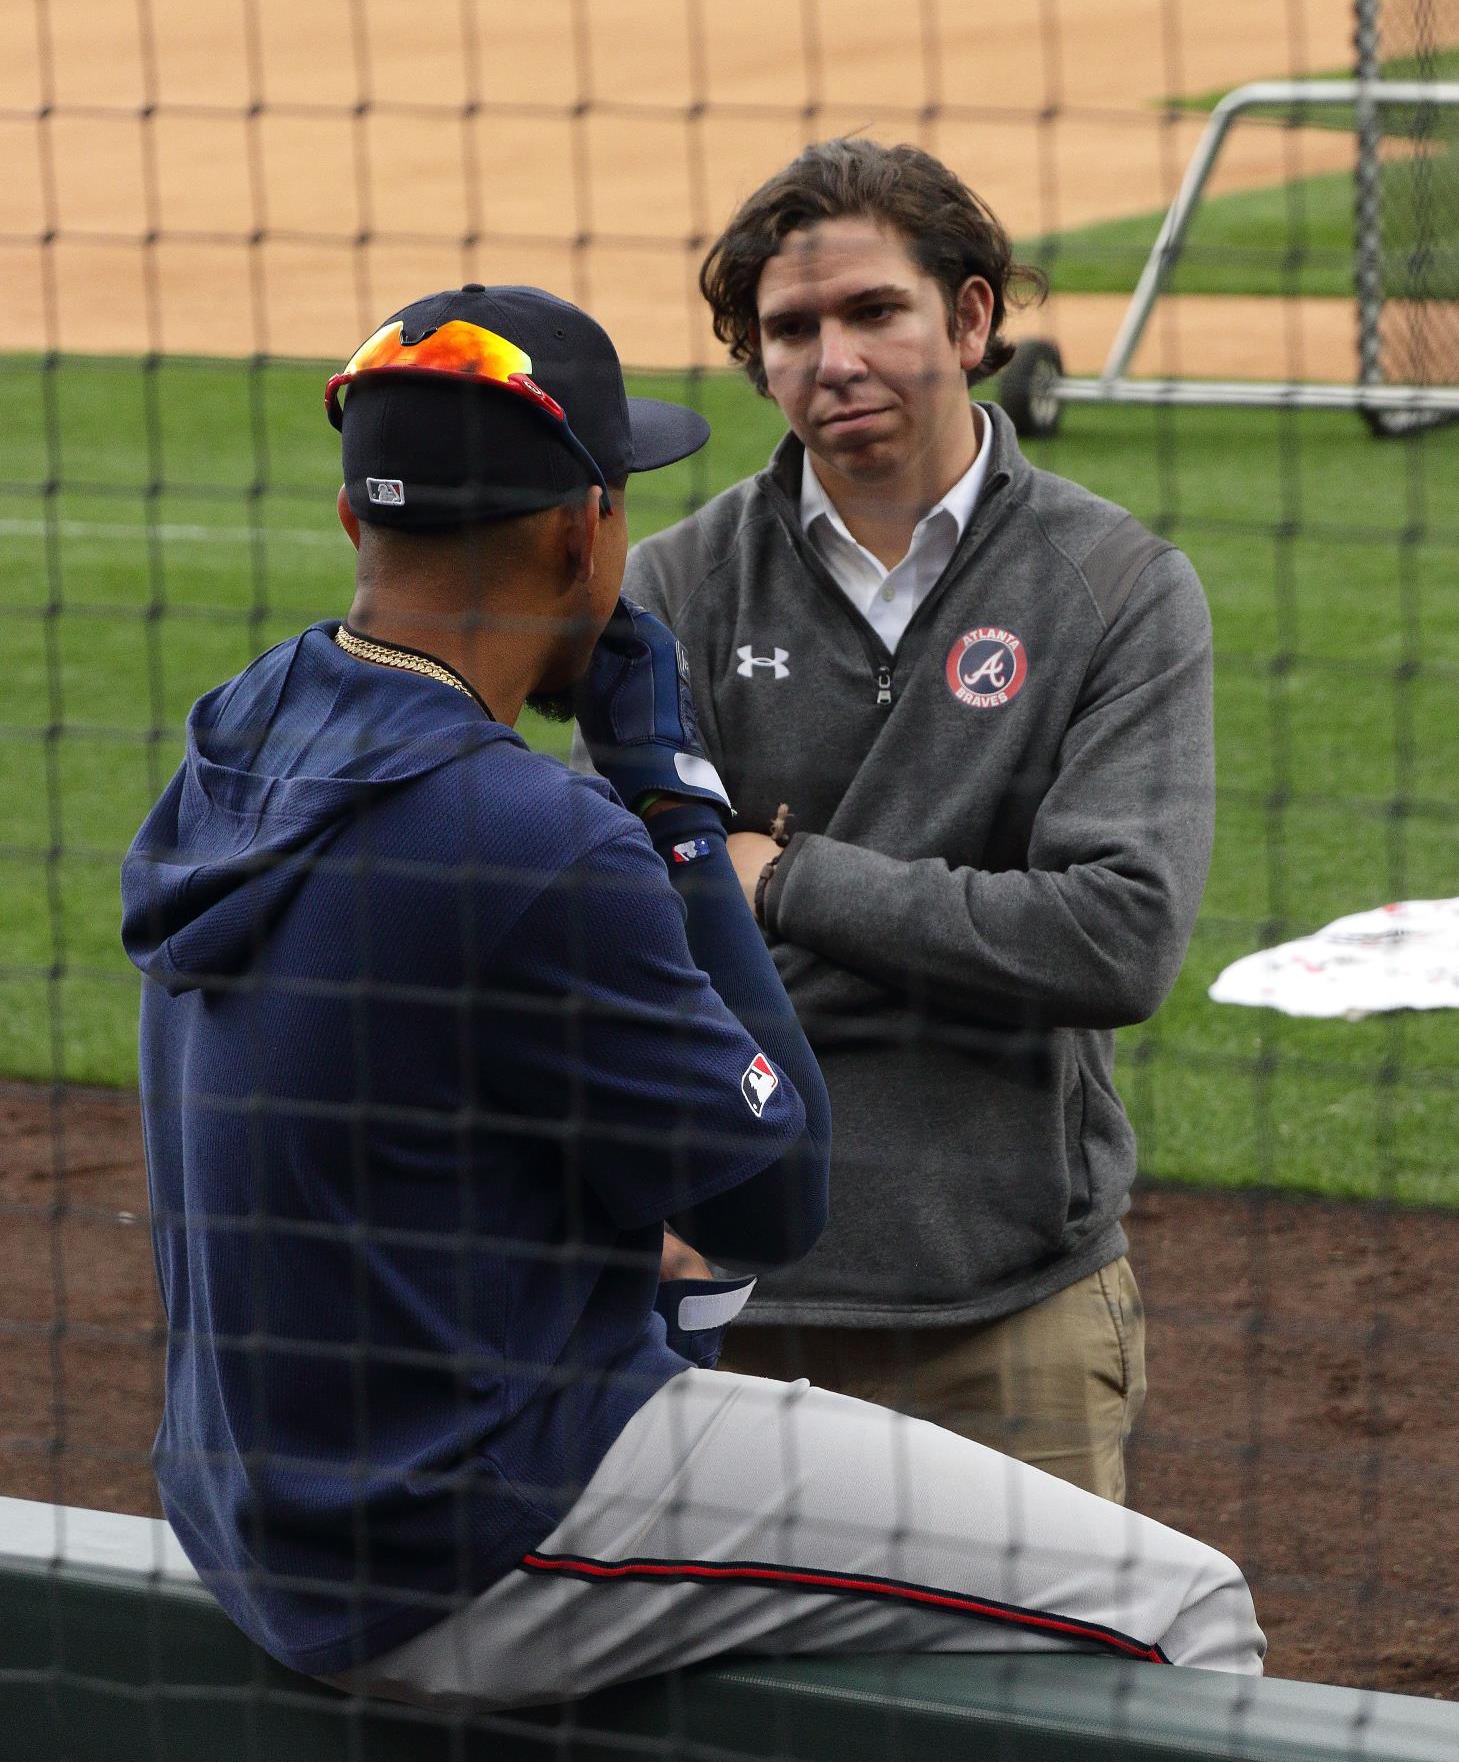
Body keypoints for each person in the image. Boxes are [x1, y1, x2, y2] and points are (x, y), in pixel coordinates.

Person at [121, 284, 1259, 1714]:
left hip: (260, 1508)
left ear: (361, 522)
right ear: (584, 527)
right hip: (463, 1530)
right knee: (1182, 1612)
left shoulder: (236, 740)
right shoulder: (530, 835)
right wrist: (677, 813)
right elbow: (774, 1198)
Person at [614, 139, 1217, 1505]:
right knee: (739, 1726)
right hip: (736, 1305)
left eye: (873, 311)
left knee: (1038, 1726)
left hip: (1008, 1322)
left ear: (971, 315)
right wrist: (964, 918)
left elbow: (1112, 941)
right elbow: (636, 929)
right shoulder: (678, 582)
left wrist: (779, 881)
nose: (832, 358)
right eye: (789, 329)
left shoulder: (1115, 587)